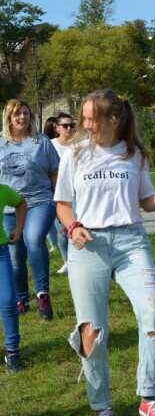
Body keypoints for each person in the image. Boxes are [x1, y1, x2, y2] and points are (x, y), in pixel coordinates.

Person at [55, 89, 155, 415]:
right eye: (84, 118)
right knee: (91, 331)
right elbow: (63, 205)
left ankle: (148, 397)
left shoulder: (135, 154)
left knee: (152, 314)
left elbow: (145, 199)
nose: (85, 124)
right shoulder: (75, 154)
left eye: (92, 118)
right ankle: (101, 406)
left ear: (114, 120)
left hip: (131, 242)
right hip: (89, 247)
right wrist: (72, 227)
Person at [0, 100, 59, 319]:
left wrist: (60, 201)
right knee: (15, 253)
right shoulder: (0, 143)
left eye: (25, 113)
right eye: (17, 114)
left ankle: (42, 294)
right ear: (9, 117)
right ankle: (21, 298)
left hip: (39, 200)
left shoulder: (41, 141)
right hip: (9, 207)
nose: (22, 118)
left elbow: (55, 172)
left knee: (34, 239)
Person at [0, 186, 26, 373]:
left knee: (8, 300)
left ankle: (12, 350)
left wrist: (18, 228)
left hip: (0, 252)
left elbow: (21, 203)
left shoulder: (2, 190)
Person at [50, 112, 77, 275]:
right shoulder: (50, 145)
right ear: (57, 128)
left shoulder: (79, 146)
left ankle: (78, 260)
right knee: (63, 230)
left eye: (71, 125)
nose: (69, 128)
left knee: (78, 227)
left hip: (78, 195)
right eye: (65, 126)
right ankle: (66, 261)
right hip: (58, 194)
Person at [44, 117, 61, 254]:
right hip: (49, 184)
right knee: (51, 217)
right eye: (55, 127)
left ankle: (61, 241)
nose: (58, 129)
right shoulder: (46, 143)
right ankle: (53, 242)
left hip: (61, 183)